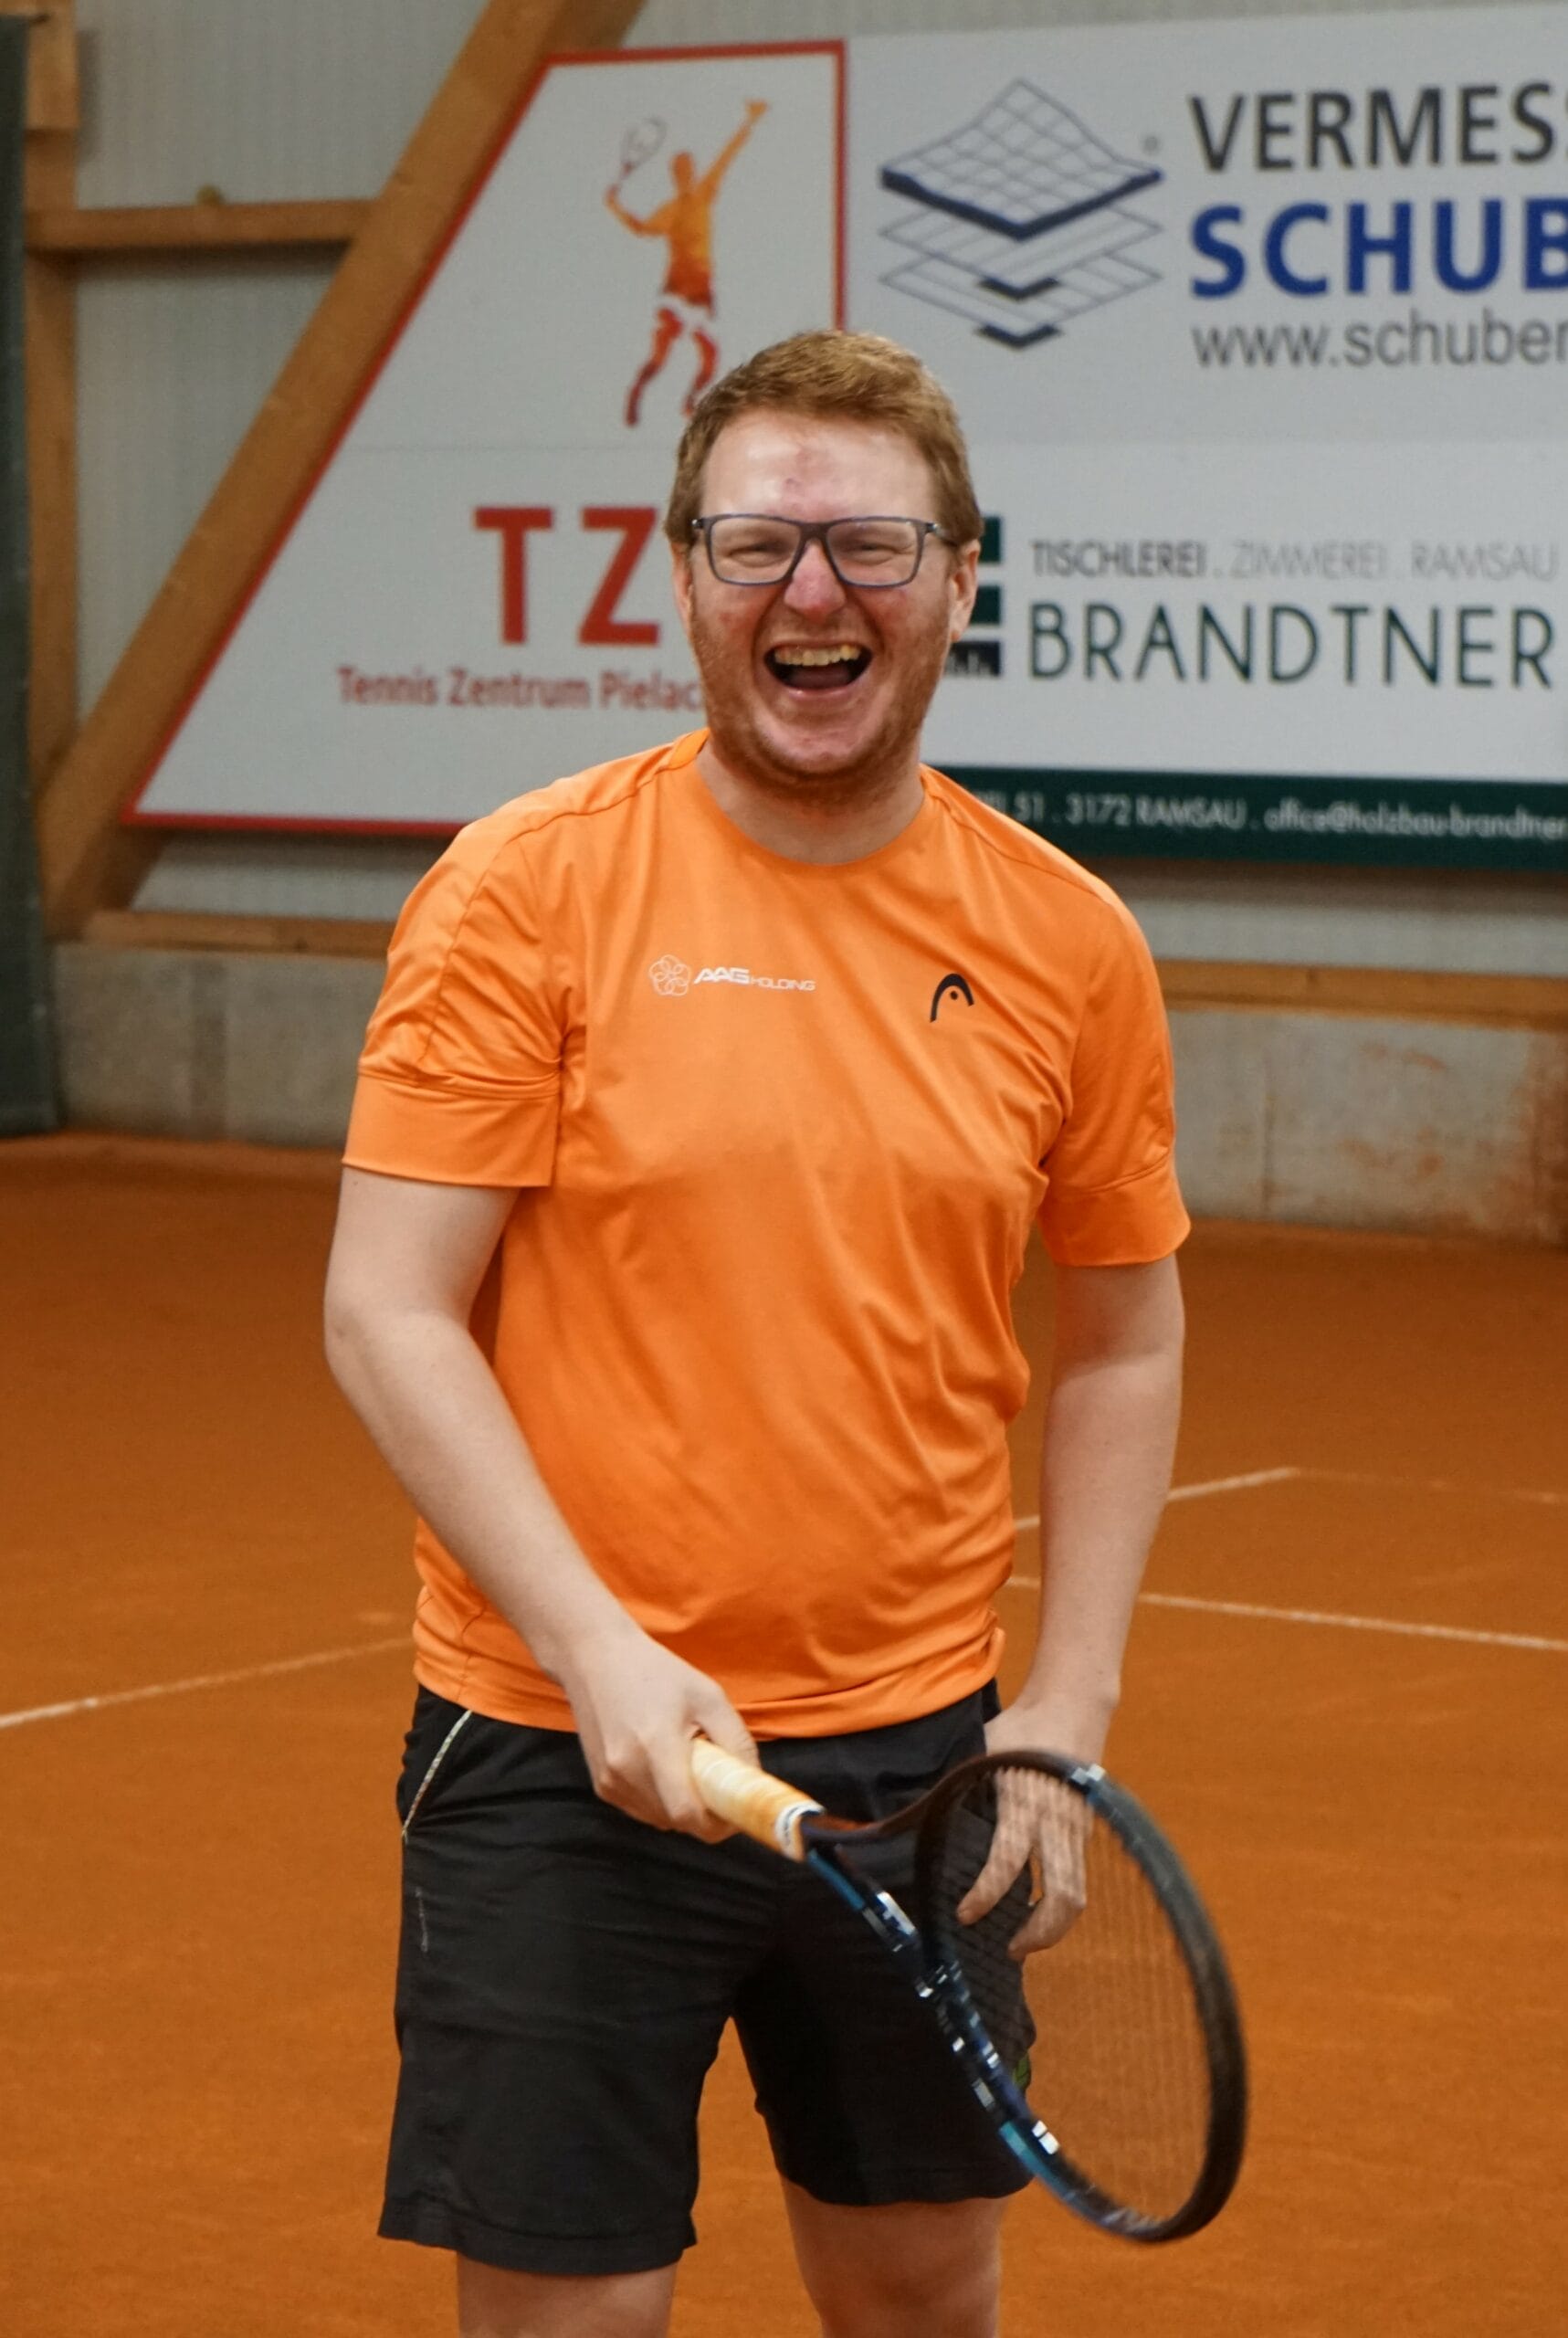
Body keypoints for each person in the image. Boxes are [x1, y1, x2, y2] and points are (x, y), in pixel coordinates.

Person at [325, 329, 1188, 2338]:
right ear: (682, 574)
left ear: (959, 577)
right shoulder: (523, 894)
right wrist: (593, 1647)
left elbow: (1123, 1339)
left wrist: (1062, 1706)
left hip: (919, 1755)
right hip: (560, 1743)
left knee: (919, 2290)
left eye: (871, 544)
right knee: (580, 2315)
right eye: (758, 544)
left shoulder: (1065, 940)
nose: (814, 589)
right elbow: (386, 1306)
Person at [605, 99, 767, 426]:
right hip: (677, 289)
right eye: (680, 170)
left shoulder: (704, 194)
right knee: (661, 352)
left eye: (689, 168)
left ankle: (690, 402)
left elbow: (726, 158)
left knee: (709, 356)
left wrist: (748, 123)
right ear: (675, 176)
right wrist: (616, 207)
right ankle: (637, 391)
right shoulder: (669, 211)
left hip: (702, 292)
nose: (686, 173)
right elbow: (640, 228)